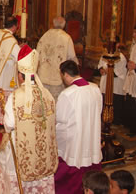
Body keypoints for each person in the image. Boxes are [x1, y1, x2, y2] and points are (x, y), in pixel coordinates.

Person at [0, 45, 58, 193]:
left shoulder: (16, 96)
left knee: (7, 163)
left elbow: (9, 125)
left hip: (21, 148)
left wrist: (5, 113)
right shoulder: (47, 94)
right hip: (42, 148)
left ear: (19, 75)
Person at [54, 60, 103, 194]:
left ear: (65, 74)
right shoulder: (95, 88)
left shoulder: (68, 94)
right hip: (91, 132)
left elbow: (60, 118)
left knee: (71, 153)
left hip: (75, 139)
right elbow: (99, 110)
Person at [36, 16, 78, 101]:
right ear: (64, 25)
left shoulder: (44, 36)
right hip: (57, 78)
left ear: (53, 24)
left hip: (42, 76)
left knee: (44, 103)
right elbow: (72, 57)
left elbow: (37, 54)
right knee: (56, 104)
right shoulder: (66, 37)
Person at [97, 37, 127, 126]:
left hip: (116, 87)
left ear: (117, 44)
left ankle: (115, 125)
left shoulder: (120, 57)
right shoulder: (105, 54)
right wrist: (101, 70)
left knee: (115, 108)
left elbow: (118, 73)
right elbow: (100, 65)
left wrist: (108, 70)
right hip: (105, 84)